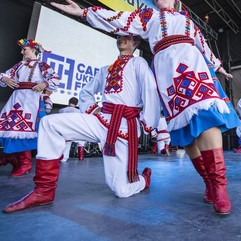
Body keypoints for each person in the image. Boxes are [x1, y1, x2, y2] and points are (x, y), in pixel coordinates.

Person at [49, 0, 240, 214]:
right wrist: (85, 12)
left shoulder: (188, 22)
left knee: (206, 119)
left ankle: (220, 188)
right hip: (167, 74)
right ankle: (208, 183)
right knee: (187, 135)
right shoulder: (149, 17)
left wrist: (220, 68)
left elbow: (204, 47)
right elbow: (119, 18)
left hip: (192, 68)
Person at [3, 35, 160, 213]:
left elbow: (150, 89)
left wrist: (149, 123)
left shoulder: (138, 63)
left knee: (121, 190)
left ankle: (144, 179)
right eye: (118, 36)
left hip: (123, 126)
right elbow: (86, 92)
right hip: (100, 120)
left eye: (126, 36)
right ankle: (43, 191)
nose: (121, 39)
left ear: (135, 42)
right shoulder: (105, 70)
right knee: (50, 123)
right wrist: (93, 110)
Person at [0, 39, 59, 176]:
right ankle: (12, 157)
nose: (22, 52)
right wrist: (5, 79)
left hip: (31, 99)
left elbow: (55, 78)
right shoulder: (19, 65)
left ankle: (25, 163)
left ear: (33, 50)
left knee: (26, 129)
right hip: (16, 99)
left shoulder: (42, 65)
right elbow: (4, 75)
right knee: (10, 127)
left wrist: (44, 84)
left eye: (24, 49)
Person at [59, 97, 86, 162]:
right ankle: (81, 157)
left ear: (69, 102)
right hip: (73, 130)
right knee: (81, 141)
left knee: (64, 143)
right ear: (76, 104)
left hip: (62, 128)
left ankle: (61, 157)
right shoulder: (79, 112)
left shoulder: (62, 110)